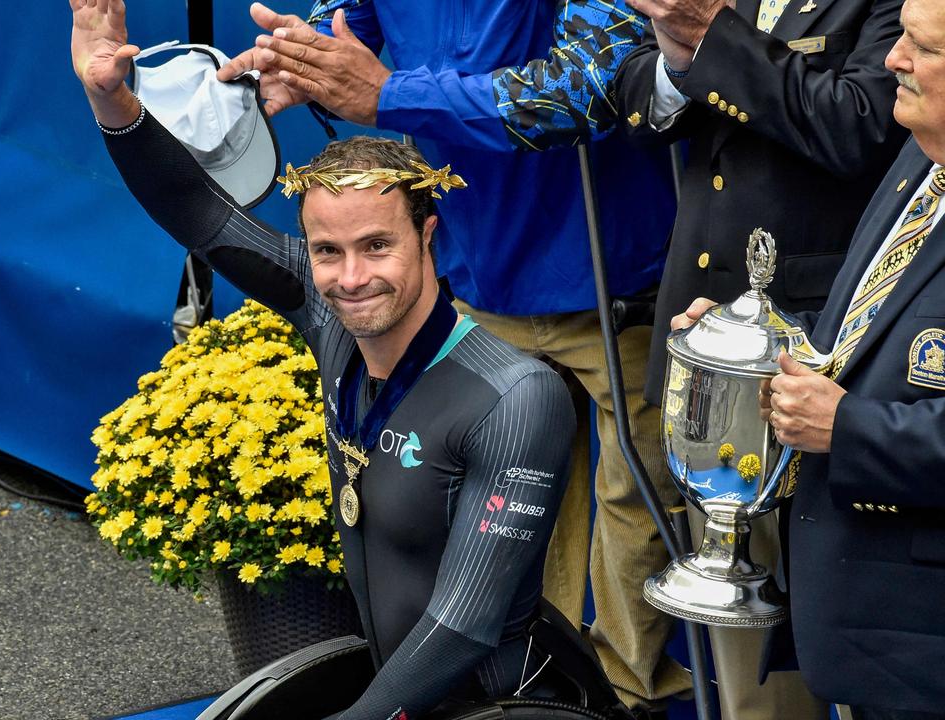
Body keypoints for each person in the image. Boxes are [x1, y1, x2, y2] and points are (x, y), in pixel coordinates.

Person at [69, 1, 584, 716]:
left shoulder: (517, 397)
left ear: (427, 235)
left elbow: (465, 624)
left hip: (503, 707)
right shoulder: (329, 318)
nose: (351, 278)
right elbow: (198, 210)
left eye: (377, 245)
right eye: (327, 252)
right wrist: (112, 99)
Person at [216, 4, 688, 713]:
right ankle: (523, 694)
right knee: (506, 511)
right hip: (474, 263)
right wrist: (308, 52)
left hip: (609, 271)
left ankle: (612, 697)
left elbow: (577, 87)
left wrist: (385, 93)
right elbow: (351, 19)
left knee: (636, 497)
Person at [612, 0, 907, 713]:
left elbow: (862, 127)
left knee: (829, 643)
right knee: (742, 668)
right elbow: (632, 99)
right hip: (702, 343)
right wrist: (680, 61)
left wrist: (716, 38)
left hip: (818, 354)